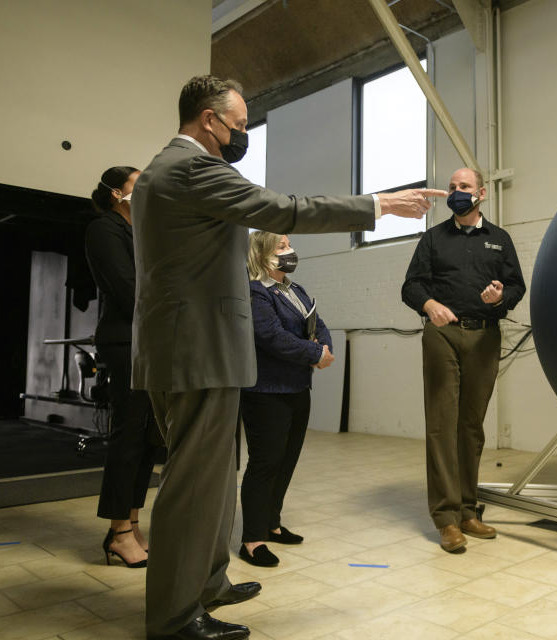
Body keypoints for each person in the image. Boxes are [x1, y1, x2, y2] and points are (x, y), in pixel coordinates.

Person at [132, 75, 447, 640]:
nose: (242, 135)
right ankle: (176, 616)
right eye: (239, 125)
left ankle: (208, 583)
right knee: (192, 483)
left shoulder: (167, 171)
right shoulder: (190, 168)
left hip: (195, 345)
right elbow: (281, 209)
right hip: (195, 348)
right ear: (209, 120)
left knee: (214, 479)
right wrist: (377, 204)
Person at [401, 167, 526, 553]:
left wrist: (499, 299)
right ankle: (446, 518)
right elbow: (411, 285)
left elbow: (517, 285)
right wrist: (429, 303)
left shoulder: (499, 239)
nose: (457, 192)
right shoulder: (434, 238)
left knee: (470, 426)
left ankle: (469, 510)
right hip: (442, 334)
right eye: (452, 187)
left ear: (481, 194)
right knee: (442, 423)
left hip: (485, 335)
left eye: (464, 187)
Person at [86, 166, 163, 569]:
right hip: (125, 342)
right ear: (117, 193)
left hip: (149, 342)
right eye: (139, 184)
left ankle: (132, 522)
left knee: (149, 436)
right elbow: (127, 286)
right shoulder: (104, 229)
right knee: (128, 435)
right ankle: (117, 532)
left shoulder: (141, 233)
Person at [238, 233, 330, 568]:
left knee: (286, 460)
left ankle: (271, 524)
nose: (289, 250)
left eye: (289, 244)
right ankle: (252, 539)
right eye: (280, 246)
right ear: (261, 255)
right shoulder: (254, 292)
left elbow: (317, 323)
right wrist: (313, 352)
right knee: (265, 463)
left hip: (297, 387)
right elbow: (270, 337)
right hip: (266, 391)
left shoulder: (295, 290)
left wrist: (323, 348)